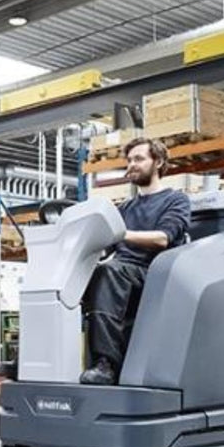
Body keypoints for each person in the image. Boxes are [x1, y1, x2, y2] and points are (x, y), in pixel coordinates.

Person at [80, 137, 191, 385]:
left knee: (109, 272)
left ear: (158, 162)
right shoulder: (125, 208)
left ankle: (106, 365)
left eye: (139, 159)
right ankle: (29, 357)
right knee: (72, 277)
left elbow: (163, 238)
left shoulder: (176, 200)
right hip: (122, 271)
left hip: (154, 273)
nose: (132, 165)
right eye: (129, 160)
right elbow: (104, 246)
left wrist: (120, 234)